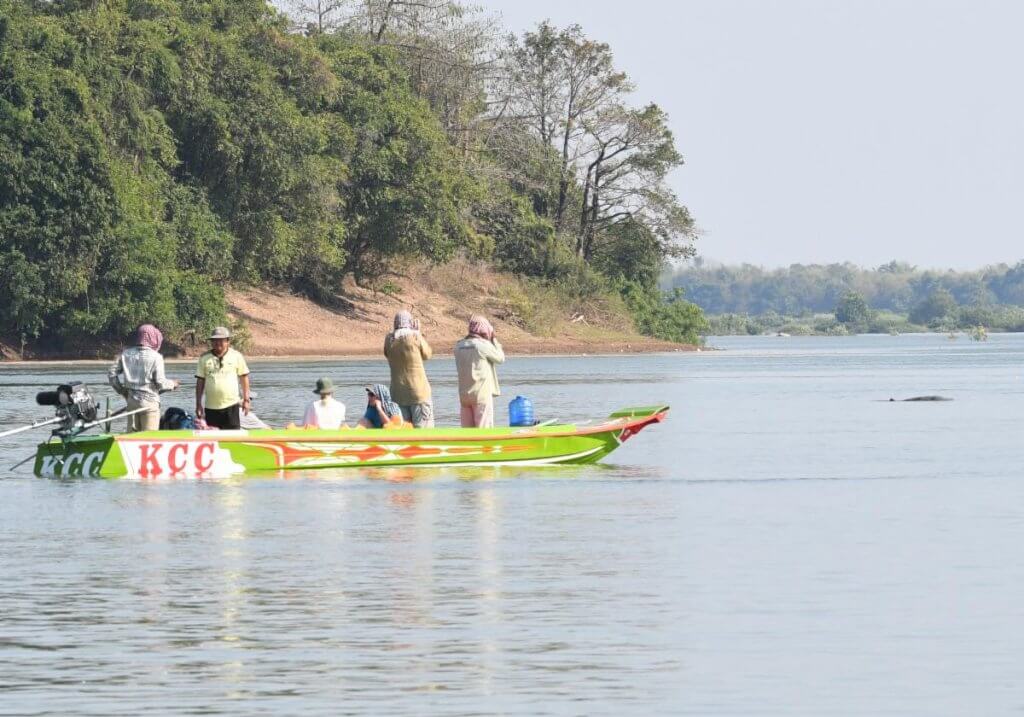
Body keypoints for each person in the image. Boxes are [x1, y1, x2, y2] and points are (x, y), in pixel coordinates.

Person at [107, 324, 180, 432]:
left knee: (132, 439)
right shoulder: (156, 357)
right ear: (154, 338)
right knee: (149, 440)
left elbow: (111, 374)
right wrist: (173, 384)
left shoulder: (125, 354)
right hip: (149, 404)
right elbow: (160, 383)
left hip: (132, 403)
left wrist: (123, 391)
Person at [384, 310, 434, 428]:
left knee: (404, 432)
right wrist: (418, 333)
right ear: (410, 323)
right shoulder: (415, 337)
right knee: (423, 432)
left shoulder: (389, 340)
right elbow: (427, 354)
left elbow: (387, 354)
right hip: (419, 393)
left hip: (398, 394)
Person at [195, 326, 250, 430]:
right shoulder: (204, 358)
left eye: (221, 340)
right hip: (211, 407)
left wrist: (246, 400)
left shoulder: (236, 356)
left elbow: (244, 377)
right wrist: (198, 404)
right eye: (214, 340)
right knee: (212, 438)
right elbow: (200, 382)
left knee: (233, 438)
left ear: (228, 341)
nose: (217, 343)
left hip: (231, 406)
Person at [454, 315, 505, 428]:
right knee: (484, 429)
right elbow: (500, 358)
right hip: (481, 395)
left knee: (467, 432)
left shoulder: (458, 346)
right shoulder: (482, 345)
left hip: (464, 396)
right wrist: (494, 340)